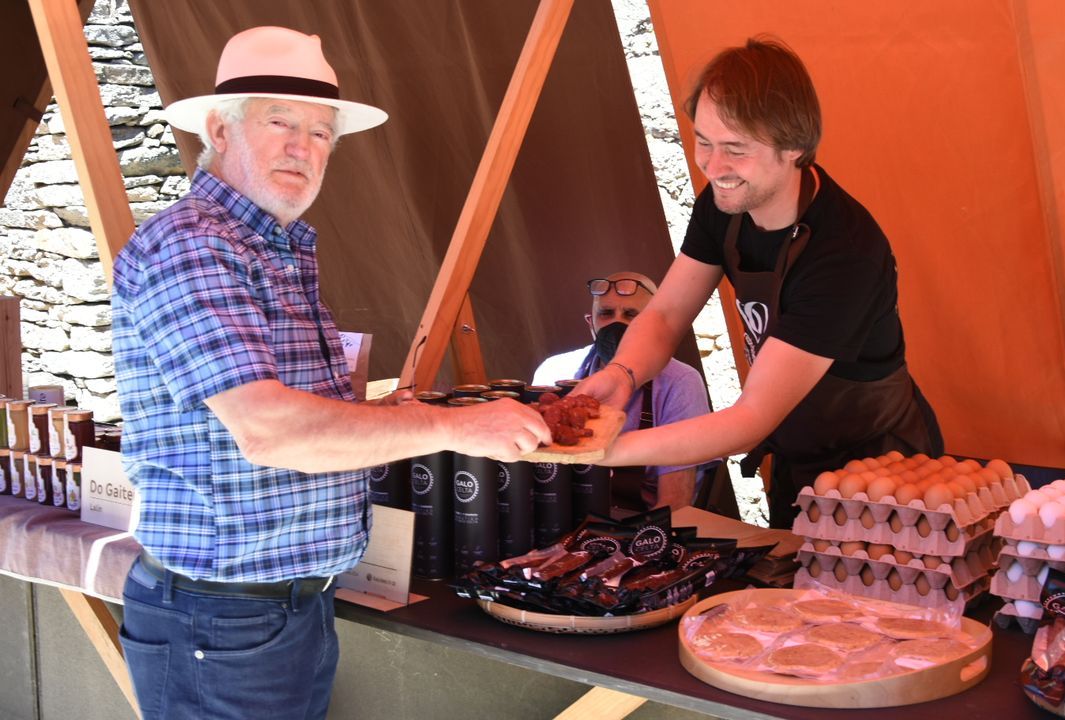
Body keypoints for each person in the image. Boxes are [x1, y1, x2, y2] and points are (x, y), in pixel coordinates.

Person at [110, 27, 549, 719]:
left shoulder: (272, 246)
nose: (302, 148)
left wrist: (396, 415)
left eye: (321, 133)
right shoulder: (194, 245)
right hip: (223, 621)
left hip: (280, 611)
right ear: (220, 129)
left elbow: (288, 415)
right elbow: (268, 430)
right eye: (280, 121)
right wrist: (451, 428)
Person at [576, 37, 943, 528]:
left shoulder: (846, 251)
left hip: (885, 471)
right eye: (703, 141)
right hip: (798, 457)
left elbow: (750, 419)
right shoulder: (723, 204)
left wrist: (598, 449)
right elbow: (664, 315)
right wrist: (621, 376)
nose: (713, 166)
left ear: (794, 146)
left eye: (736, 149)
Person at [533, 271, 713, 510]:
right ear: (591, 323)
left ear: (653, 326)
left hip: (642, 527)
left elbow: (675, 505)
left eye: (631, 315)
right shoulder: (555, 371)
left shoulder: (680, 382)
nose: (617, 323)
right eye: (606, 313)